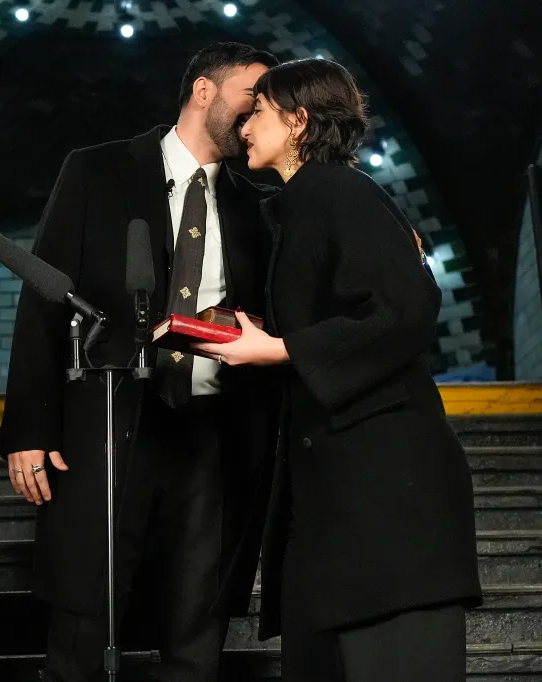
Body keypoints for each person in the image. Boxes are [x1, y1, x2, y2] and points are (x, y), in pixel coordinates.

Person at [0, 43, 281, 681]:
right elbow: (43, 298)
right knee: (85, 613)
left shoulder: (257, 202)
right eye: (251, 96)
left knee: (198, 616)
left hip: (214, 430)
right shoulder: (96, 172)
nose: (257, 113)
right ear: (204, 92)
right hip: (107, 420)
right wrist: (29, 433)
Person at [197, 58, 482, 681]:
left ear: (299, 121)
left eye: (260, 112)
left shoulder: (340, 192)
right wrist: (263, 336)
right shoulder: (305, 202)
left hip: (385, 510)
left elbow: (407, 309)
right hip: (338, 511)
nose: (245, 125)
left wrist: (278, 349)